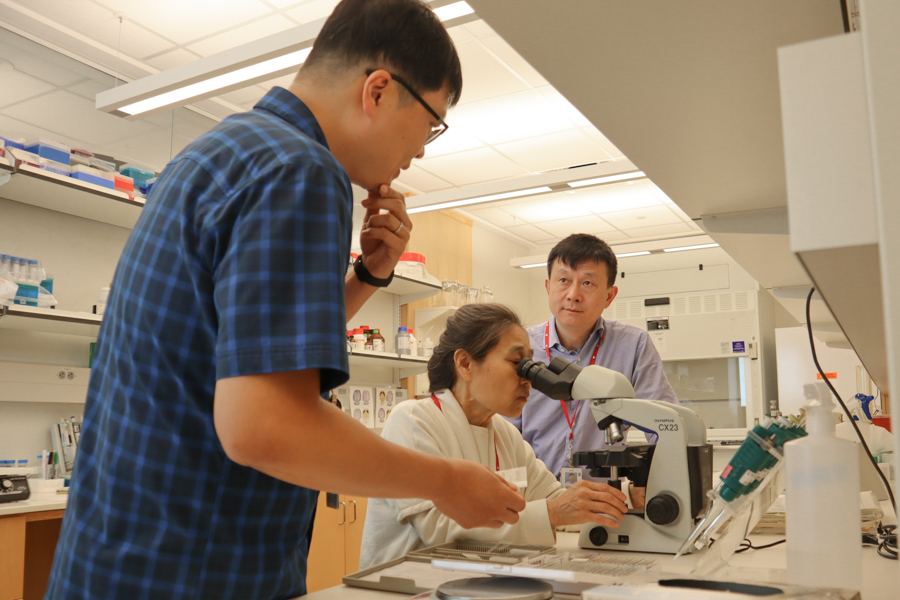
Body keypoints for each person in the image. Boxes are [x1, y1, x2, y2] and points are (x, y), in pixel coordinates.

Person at [45, 2, 525, 599]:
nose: (422, 151)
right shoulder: (303, 170)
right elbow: (265, 427)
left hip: (119, 562)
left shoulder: (218, 151)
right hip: (196, 571)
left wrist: (369, 278)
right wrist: (446, 480)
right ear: (378, 90)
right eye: (430, 124)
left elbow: (235, 348)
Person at [360, 304, 629, 569]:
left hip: (477, 582)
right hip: (406, 587)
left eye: (530, 365)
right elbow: (439, 531)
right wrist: (553, 512)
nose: (528, 379)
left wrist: (625, 497)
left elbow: (556, 499)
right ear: (465, 363)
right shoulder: (414, 420)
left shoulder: (505, 433)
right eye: (517, 363)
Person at [508, 234, 679, 482]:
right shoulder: (520, 347)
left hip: (604, 499)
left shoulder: (633, 345)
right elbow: (503, 434)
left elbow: (664, 424)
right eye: (564, 280)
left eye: (587, 283)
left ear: (609, 296)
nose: (573, 294)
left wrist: (660, 482)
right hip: (536, 497)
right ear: (548, 287)